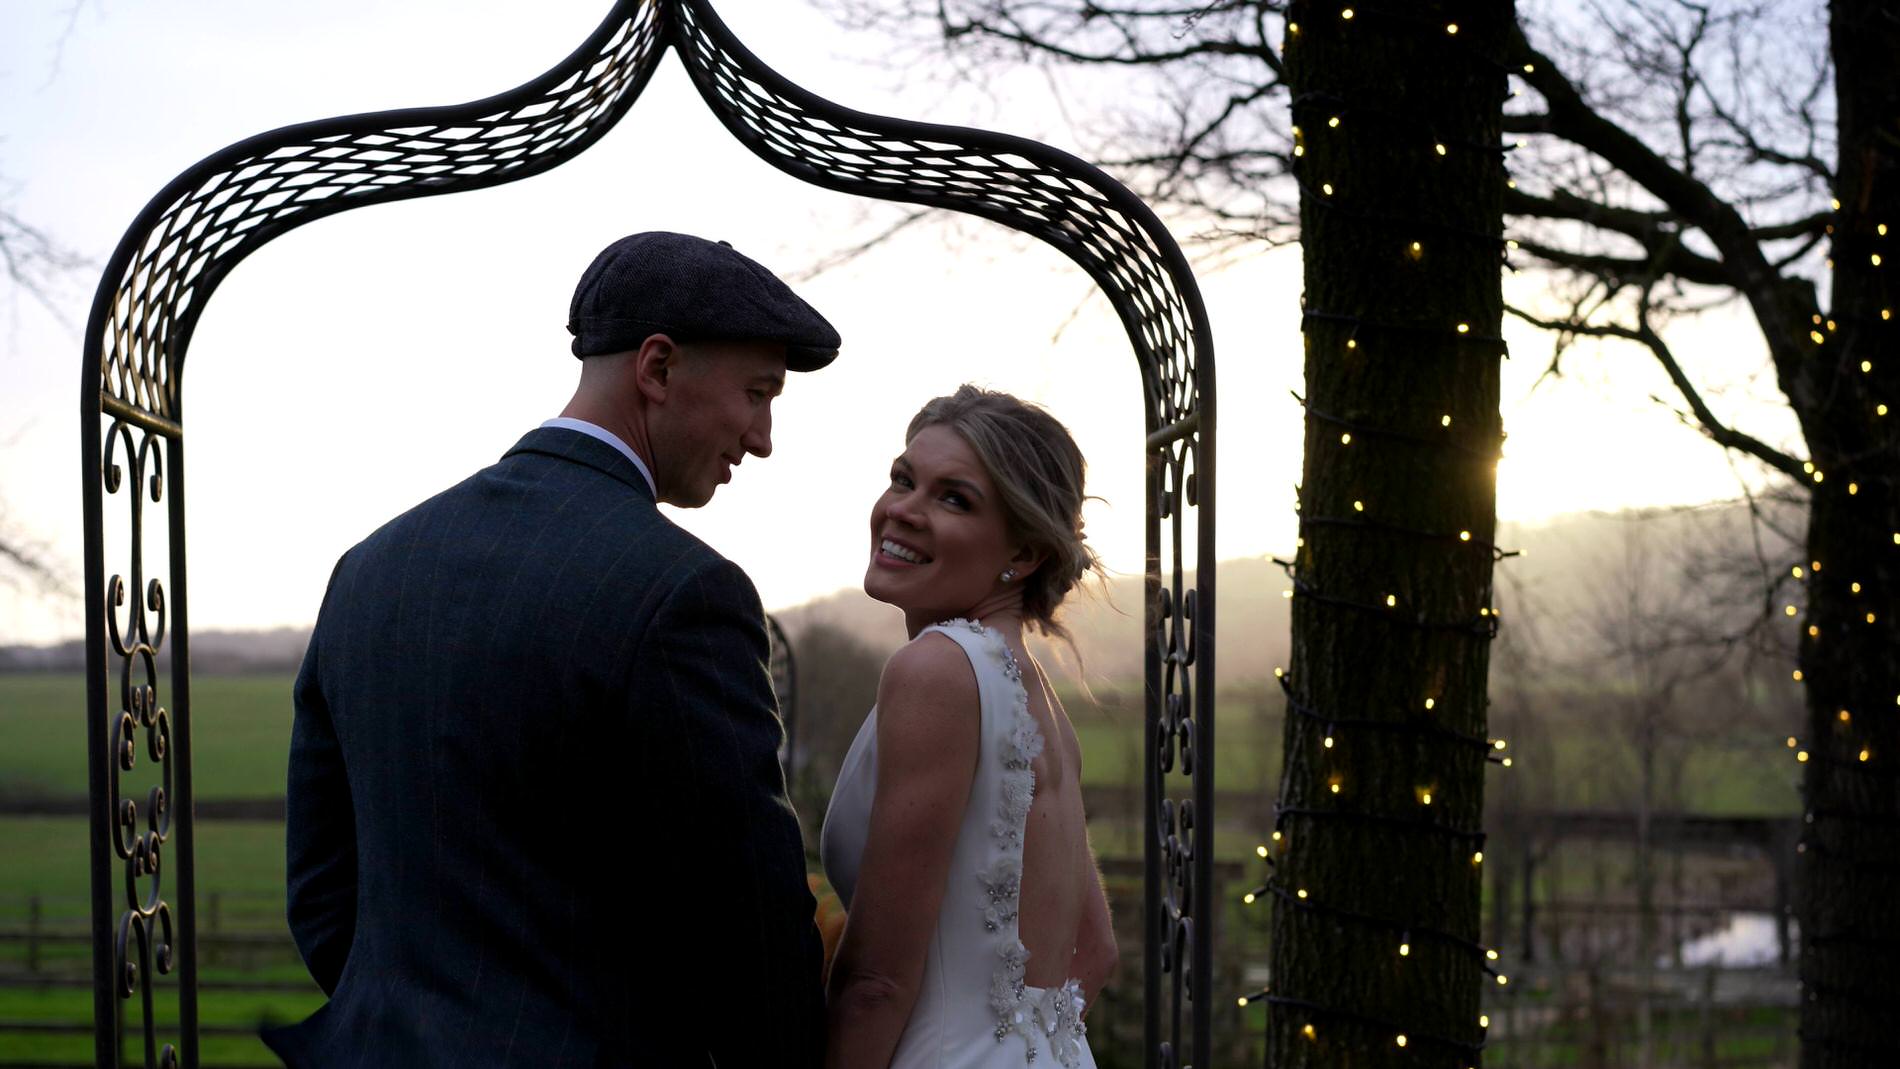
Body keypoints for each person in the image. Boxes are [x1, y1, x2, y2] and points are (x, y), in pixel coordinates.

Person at [264, 232, 835, 1068]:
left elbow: (322, 888)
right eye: (757, 393)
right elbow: (747, 916)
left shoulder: (373, 565)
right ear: (658, 367)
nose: (763, 437)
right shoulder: (683, 593)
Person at [820, 386, 1117, 1069]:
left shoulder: (938, 671)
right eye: (904, 480)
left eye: (954, 499)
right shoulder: (1040, 700)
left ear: (1025, 553)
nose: (904, 510)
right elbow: (1095, 953)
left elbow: (875, 983)